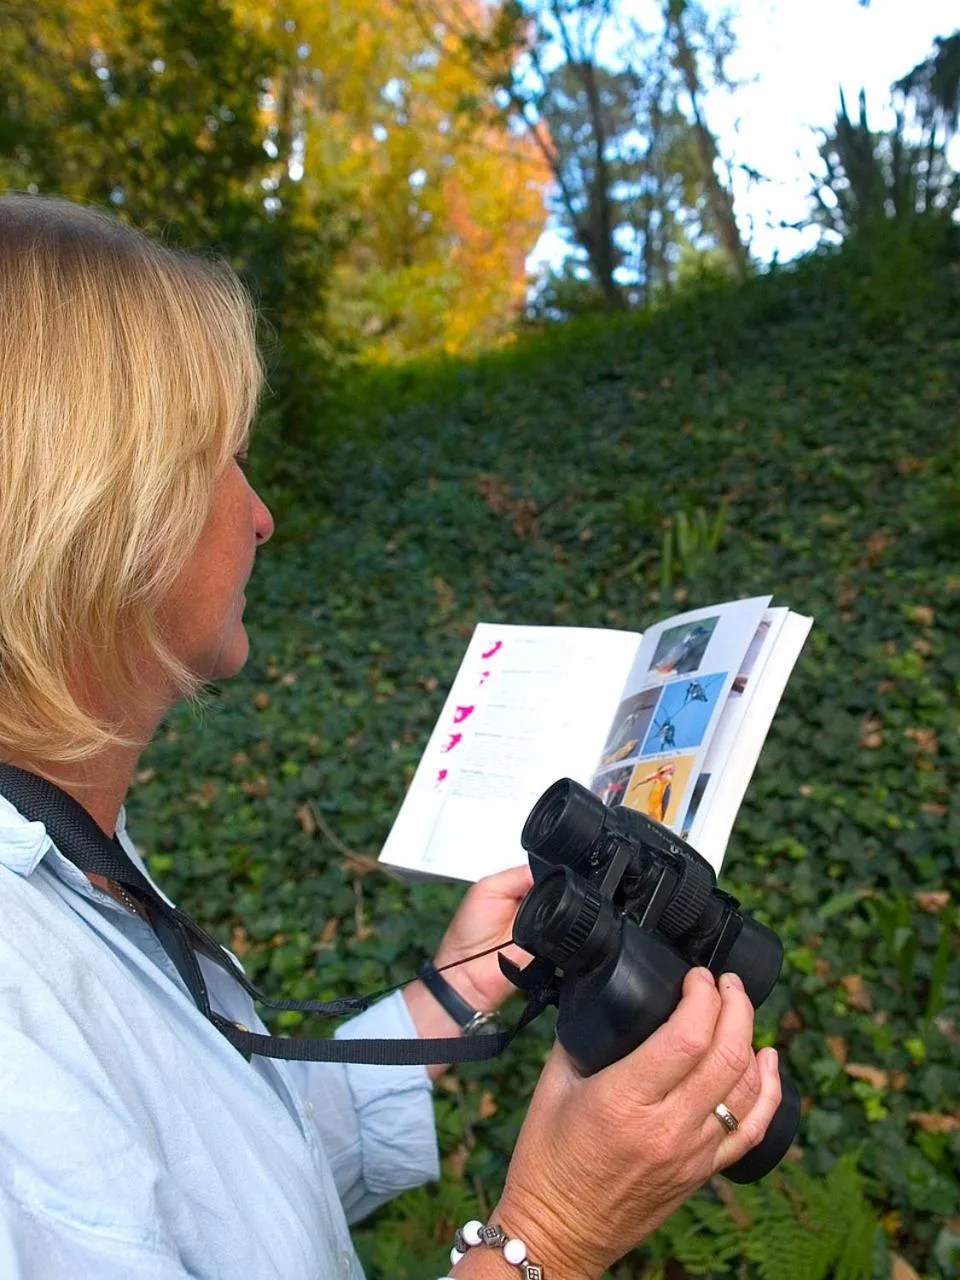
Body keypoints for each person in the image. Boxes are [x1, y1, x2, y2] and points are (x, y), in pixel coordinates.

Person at [0, 194, 782, 1280]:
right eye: (223, 457)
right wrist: (542, 1236)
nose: (260, 512)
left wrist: (448, 995)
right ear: (103, 512)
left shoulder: (61, 857)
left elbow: (213, 1178)